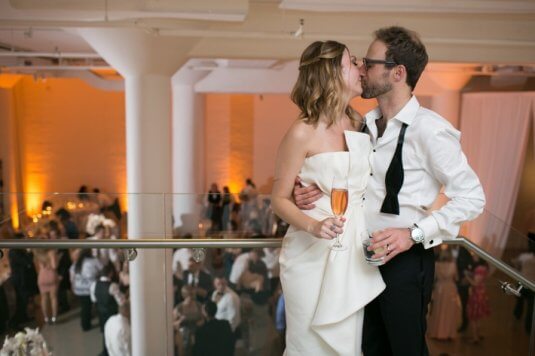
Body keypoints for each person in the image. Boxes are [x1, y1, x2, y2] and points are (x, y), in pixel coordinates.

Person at [293, 26, 485, 356]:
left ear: (397, 73)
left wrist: (413, 234)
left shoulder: (431, 130)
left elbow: (472, 197)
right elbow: (342, 178)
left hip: (405, 261)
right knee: (367, 349)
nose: (362, 68)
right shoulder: (361, 124)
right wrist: (306, 192)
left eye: (369, 62)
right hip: (356, 258)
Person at [271, 40, 385, 355]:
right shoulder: (301, 132)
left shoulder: (360, 123)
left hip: (352, 253)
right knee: (309, 345)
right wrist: (313, 226)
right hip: (311, 255)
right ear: (331, 73)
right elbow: (278, 199)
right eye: (352, 62)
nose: (361, 66)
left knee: (345, 347)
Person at [427, 248, 461, 340]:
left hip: (440, 289)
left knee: (439, 311)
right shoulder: (453, 265)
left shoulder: (437, 264)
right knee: (449, 312)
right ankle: (448, 334)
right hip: (450, 289)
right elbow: (457, 278)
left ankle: (438, 333)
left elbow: (433, 278)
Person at [70, 249, 102, 331]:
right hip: (90, 289)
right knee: (97, 306)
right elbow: (102, 269)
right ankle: (100, 324)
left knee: (85, 307)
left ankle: (85, 325)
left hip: (79, 289)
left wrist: (73, 287)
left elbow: (72, 274)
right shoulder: (94, 261)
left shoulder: (77, 262)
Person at [466, 258, 490, 343]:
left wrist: (467, 277)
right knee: (478, 317)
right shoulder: (485, 268)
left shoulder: (479, 269)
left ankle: (475, 338)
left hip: (477, 294)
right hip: (482, 293)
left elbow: (475, 283)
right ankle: (478, 335)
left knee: (473, 317)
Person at [34, 248, 59, 324]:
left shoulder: (37, 255)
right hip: (51, 275)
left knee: (44, 298)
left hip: (41, 276)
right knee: (53, 298)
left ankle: (46, 318)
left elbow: (36, 268)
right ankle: (54, 318)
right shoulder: (51, 252)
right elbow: (54, 266)